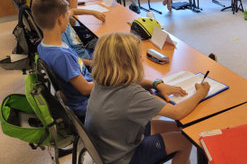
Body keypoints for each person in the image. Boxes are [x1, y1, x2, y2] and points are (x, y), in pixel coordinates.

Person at [85, 32, 210, 164]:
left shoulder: (102, 81)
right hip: (124, 158)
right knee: (185, 140)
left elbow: (133, 84)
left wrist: (156, 84)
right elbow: (177, 112)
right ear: (129, 64)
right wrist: (201, 92)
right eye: (139, 57)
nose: (142, 60)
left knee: (179, 129)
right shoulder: (132, 94)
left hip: (110, 145)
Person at [31, 0, 94, 120]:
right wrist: (111, 81)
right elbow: (85, 89)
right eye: (67, 16)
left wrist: (92, 63)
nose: (68, 20)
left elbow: (75, 60)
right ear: (60, 19)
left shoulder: (44, 45)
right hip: (86, 104)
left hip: (86, 83)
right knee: (131, 86)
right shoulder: (61, 55)